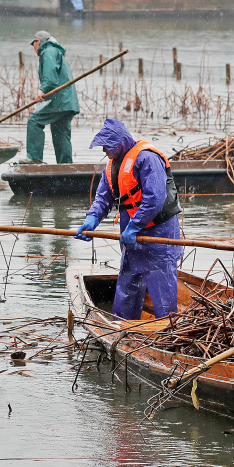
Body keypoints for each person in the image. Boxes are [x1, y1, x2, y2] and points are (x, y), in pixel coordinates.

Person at [74, 119, 183, 320]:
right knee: (129, 280)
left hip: (158, 232)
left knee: (161, 281)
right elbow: (103, 198)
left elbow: (154, 199)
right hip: (131, 233)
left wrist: (134, 226)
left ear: (119, 143)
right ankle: (122, 324)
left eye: (107, 146)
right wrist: (92, 219)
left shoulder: (147, 159)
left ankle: (169, 328)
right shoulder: (112, 166)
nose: (104, 151)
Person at [19, 31, 79, 164]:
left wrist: (42, 91)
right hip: (68, 102)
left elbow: (50, 78)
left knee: (35, 121)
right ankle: (66, 168)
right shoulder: (55, 51)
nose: (34, 47)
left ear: (38, 42)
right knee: (60, 134)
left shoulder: (48, 51)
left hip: (59, 100)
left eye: (33, 44)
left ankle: (34, 158)